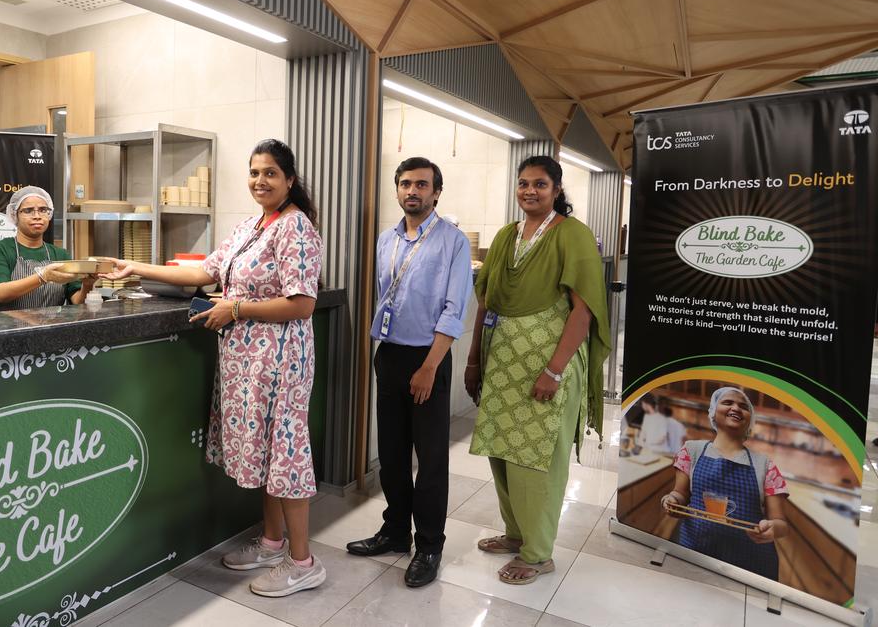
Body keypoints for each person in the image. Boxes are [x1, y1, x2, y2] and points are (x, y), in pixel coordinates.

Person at [101, 139, 324, 597]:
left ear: (290, 180)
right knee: (266, 454)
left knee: (285, 454)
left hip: (281, 361)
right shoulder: (251, 227)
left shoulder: (296, 227)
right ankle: (271, 542)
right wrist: (135, 267)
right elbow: (204, 271)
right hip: (247, 361)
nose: (260, 181)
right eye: (254, 172)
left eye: (270, 174)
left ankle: (302, 563)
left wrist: (238, 308)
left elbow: (302, 304)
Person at [465, 155, 610, 585]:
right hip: (502, 363)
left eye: (540, 184)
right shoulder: (508, 235)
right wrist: (474, 359)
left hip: (545, 367)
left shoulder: (573, 235)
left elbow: (583, 311)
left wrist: (555, 370)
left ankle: (538, 552)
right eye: (523, 184)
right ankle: (515, 533)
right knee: (501, 452)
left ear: (557, 189)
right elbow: (487, 300)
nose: (530, 191)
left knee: (537, 458)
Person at [345, 157, 471, 588]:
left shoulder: (453, 242)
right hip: (391, 355)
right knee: (393, 455)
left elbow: (454, 310)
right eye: (405, 184)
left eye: (421, 184)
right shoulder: (386, 240)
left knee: (431, 459)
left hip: (429, 359)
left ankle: (430, 545)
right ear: (397, 190)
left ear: (437, 192)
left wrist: (429, 367)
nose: (412, 191)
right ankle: (396, 531)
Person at [661, 386, 788, 580]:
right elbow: (681, 493)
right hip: (696, 550)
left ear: (750, 420)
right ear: (713, 412)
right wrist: (672, 500)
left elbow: (781, 524)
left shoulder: (765, 465)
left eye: (743, 406)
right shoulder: (691, 451)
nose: (736, 408)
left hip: (751, 564)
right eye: (728, 402)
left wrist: (772, 529)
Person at [0, 187, 93, 311]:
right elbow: (2, 294)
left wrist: (87, 284)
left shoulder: (60, 254)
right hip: (9, 328)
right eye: (28, 210)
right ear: (15, 215)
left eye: (43, 210)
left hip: (48, 328)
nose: (37, 216)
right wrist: (43, 276)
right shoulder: (0, 250)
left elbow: (77, 301)